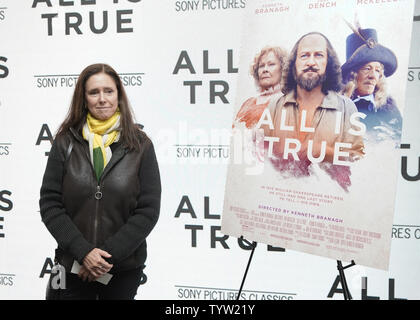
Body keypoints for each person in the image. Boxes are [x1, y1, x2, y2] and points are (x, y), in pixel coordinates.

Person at [39, 63, 161, 300]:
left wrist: (105, 257)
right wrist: (84, 253)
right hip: (70, 266)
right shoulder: (64, 142)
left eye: (109, 91)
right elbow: (50, 204)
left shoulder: (141, 145)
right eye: (94, 92)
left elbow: (148, 211)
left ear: (119, 96)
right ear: (84, 99)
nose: (102, 99)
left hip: (122, 270)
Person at [262, 32, 364, 190]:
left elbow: (358, 158)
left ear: (328, 63)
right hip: (281, 196)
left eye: (318, 55)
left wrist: (321, 150)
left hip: (325, 201)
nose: (311, 62)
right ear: (294, 63)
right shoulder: (275, 105)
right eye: (304, 55)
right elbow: (260, 152)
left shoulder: (346, 107)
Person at [341, 28, 402, 143]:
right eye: (367, 69)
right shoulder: (337, 106)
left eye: (377, 70)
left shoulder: (389, 109)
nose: (373, 76)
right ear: (352, 74)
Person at [234, 46, 288, 129]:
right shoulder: (248, 102)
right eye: (261, 66)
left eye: (271, 64)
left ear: (282, 68)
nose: (265, 69)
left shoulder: (287, 102)